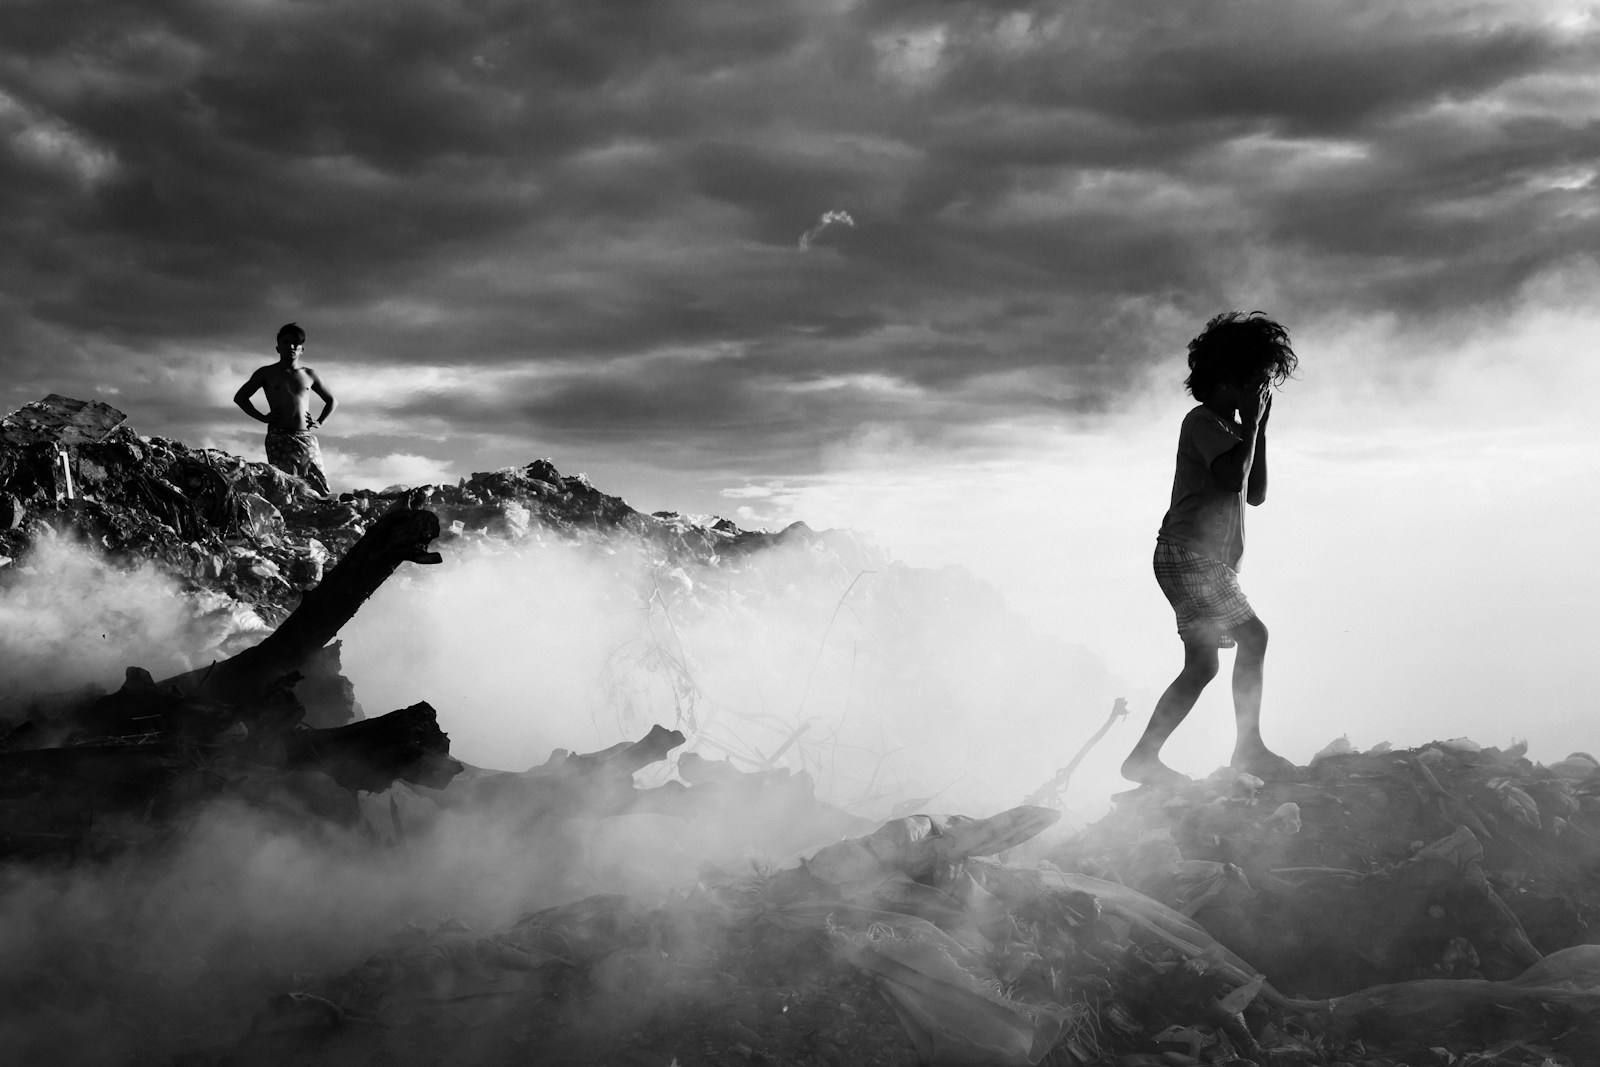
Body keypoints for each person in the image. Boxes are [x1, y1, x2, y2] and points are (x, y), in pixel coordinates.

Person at [1121, 311, 1299, 787]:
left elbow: (1254, 492)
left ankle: (1143, 757)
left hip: (1196, 559)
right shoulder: (1202, 422)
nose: (1260, 393)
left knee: (1202, 666)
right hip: (1189, 555)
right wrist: (1252, 426)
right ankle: (1249, 750)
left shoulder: (1234, 431)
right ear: (1229, 380)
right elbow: (1228, 478)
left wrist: (1257, 429)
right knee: (1254, 637)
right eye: (1257, 382)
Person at [233, 322, 336, 495]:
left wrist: (320, 421)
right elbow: (241, 397)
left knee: (317, 484)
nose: (291, 347)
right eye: (286, 342)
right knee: (287, 486)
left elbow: (331, 400)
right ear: (278, 348)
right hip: (279, 437)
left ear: (302, 349)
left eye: (296, 344)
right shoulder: (266, 373)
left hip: (305, 438)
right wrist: (262, 417)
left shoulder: (309, 375)